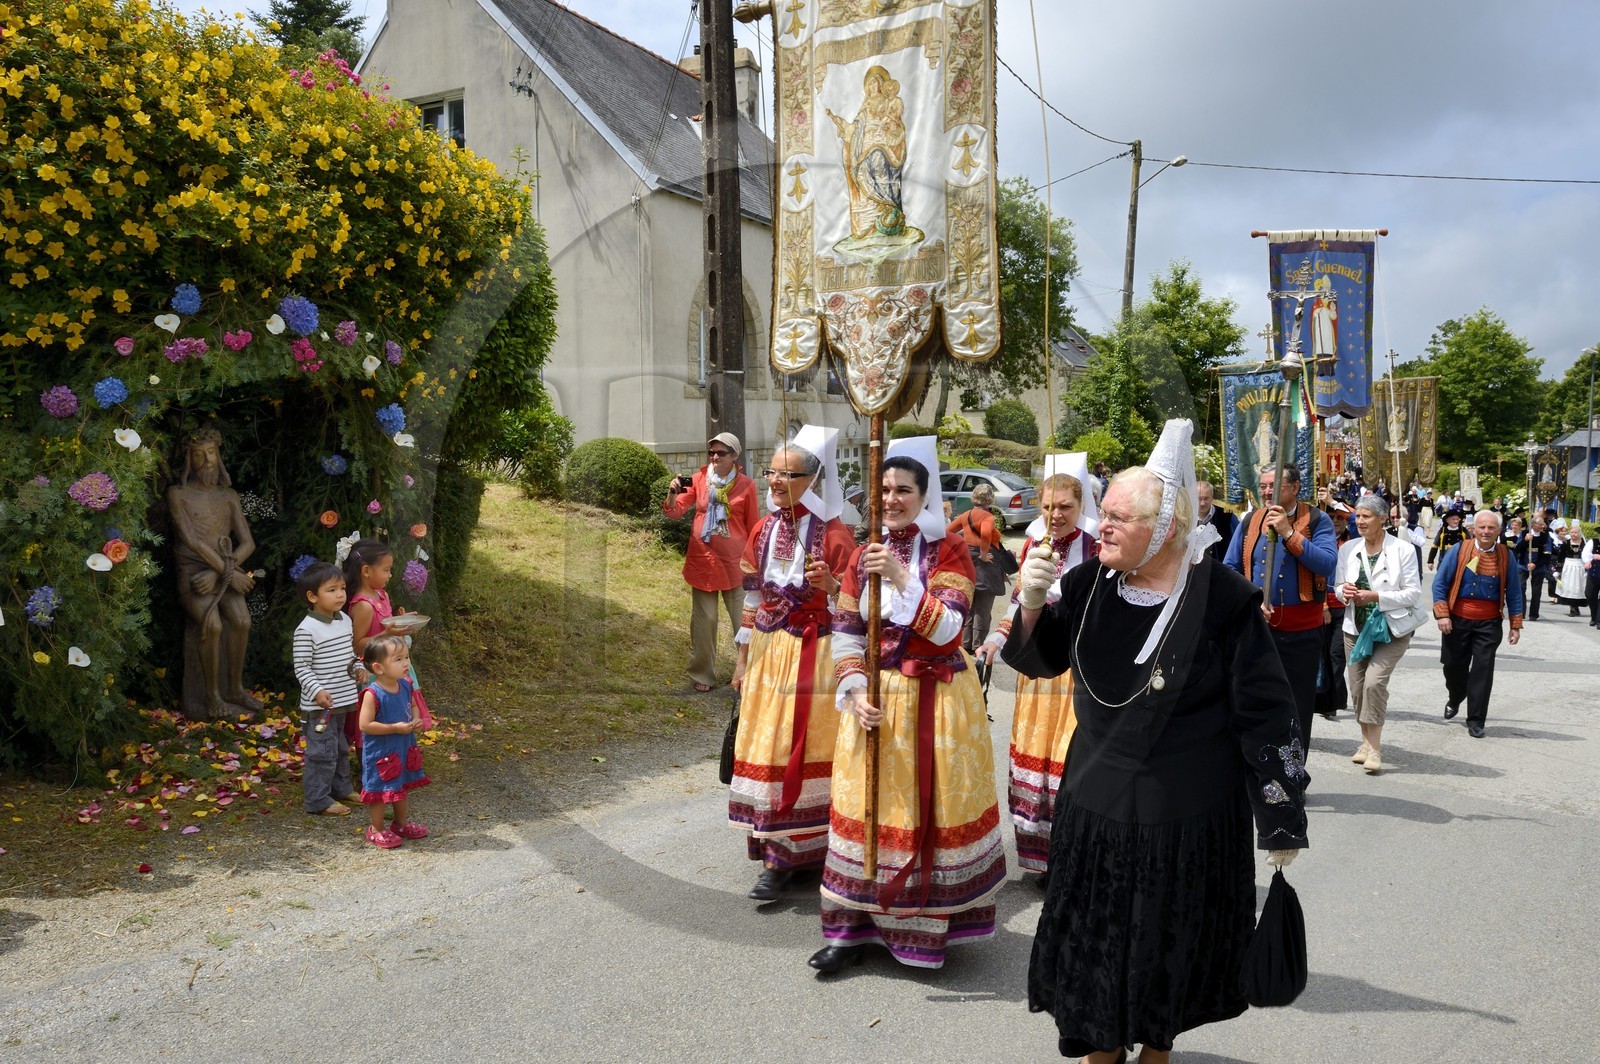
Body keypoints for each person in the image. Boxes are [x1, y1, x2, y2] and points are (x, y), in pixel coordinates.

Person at [1004, 419, 1309, 1064]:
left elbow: (1267, 713)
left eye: (1119, 517)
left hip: (1188, 819)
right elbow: (1038, 661)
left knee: (1165, 954)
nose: (1102, 526)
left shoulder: (1225, 601)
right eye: (1103, 513)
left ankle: (1156, 1052)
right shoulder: (1086, 585)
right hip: (1097, 807)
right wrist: (1031, 604)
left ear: (1166, 528)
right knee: (1097, 961)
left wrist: (1280, 816)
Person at [811, 443, 1006, 973]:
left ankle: (922, 930)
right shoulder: (858, 554)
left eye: (903, 490)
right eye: (885, 490)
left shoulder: (949, 553)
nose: (891, 499)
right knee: (865, 810)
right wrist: (854, 692)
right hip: (876, 699)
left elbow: (948, 629)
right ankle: (849, 929)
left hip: (934, 700)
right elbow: (846, 634)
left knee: (925, 808)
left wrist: (900, 578)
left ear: (924, 498)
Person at [728, 431, 855, 902]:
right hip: (767, 654)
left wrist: (835, 584)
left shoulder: (835, 534)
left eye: (787, 474)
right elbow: (753, 595)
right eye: (772, 471)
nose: (776, 481)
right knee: (767, 749)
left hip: (814, 656)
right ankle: (773, 850)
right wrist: (741, 660)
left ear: (812, 479)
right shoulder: (764, 528)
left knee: (799, 750)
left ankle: (801, 853)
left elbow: (858, 607)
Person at [976, 472, 1097, 878]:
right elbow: (1018, 605)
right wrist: (995, 639)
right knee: (1038, 761)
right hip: (1037, 671)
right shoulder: (1031, 544)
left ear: (1082, 507)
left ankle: (1072, 855)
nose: (1055, 514)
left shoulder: (1096, 547)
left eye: (1065, 506)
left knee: (1068, 761)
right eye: (1047, 506)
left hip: (1079, 673)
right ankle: (1042, 857)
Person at [1224, 463, 1337, 747]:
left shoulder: (1317, 519)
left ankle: (1293, 775)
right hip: (1258, 629)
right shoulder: (1251, 520)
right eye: (1262, 486)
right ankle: (1259, 774)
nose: (1266, 492)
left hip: (1300, 634)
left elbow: (1326, 563)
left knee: (1296, 707)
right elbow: (1231, 568)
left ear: (1295, 488)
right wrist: (1249, 601)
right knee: (1253, 702)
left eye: (1273, 486)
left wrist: (1289, 533)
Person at [167, 428, 261, 718]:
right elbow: (191, 541)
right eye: (198, 454)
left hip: (222, 569)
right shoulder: (178, 494)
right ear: (188, 459)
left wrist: (223, 572)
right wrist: (229, 574)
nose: (206, 460)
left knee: (242, 621)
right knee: (214, 624)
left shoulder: (228, 495)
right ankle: (212, 697)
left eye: (211, 452)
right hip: (194, 572)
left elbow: (248, 542)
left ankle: (235, 688)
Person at [664, 433, 760, 692]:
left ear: (734, 456)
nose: (715, 457)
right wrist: (672, 494)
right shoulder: (698, 480)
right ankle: (703, 674)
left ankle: (748, 673)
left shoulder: (746, 486)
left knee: (744, 621)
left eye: (721, 453)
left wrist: (756, 564)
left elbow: (753, 527)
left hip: (735, 564)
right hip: (703, 562)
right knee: (705, 622)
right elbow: (675, 512)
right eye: (712, 453)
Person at [1337, 495, 1424, 775]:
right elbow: (1338, 586)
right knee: (1358, 688)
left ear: (1383, 518)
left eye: (1366, 517)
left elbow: (1412, 594)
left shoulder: (1403, 550)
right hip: (1355, 629)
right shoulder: (1348, 548)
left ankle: (1374, 749)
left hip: (1390, 629)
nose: (1360, 522)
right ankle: (1364, 742)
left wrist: (1376, 596)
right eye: (1358, 517)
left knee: (1374, 684)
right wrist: (1344, 593)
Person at [1433, 511, 1523, 738]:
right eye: (1482, 527)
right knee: (1453, 666)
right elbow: (1440, 584)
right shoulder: (1459, 549)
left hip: (1489, 623)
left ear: (1499, 531)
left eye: (1491, 528)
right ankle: (1455, 696)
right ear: (1474, 529)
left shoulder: (1506, 555)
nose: (1486, 532)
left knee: (1483, 671)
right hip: (1457, 621)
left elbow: (1513, 591)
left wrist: (1515, 624)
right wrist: (1442, 615)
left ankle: (1476, 720)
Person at [292, 562, 365, 816]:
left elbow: (348, 656)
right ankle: (317, 799)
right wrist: (317, 692)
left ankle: (341, 788)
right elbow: (301, 668)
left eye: (342, 588)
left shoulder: (344, 620)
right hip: (319, 706)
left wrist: (357, 668)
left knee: (341, 747)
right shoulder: (306, 630)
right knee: (321, 753)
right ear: (312, 597)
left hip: (343, 700)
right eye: (331, 590)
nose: (340, 595)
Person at [356, 634, 430, 848]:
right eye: (398, 659)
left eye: (406, 657)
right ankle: (376, 829)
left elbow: (413, 705)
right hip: (381, 753)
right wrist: (394, 728)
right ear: (378, 668)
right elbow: (365, 725)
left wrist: (416, 719)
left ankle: (400, 824)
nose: (406, 663)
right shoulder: (372, 693)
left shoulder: (406, 684)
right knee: (379, 792)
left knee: (401, 786)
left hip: (402, 747)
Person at [946, 482, 1005, 653]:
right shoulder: (987, 517)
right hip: (985, 563)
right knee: (983, 608)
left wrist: (960, 547)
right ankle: (978, 645)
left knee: (970, 606)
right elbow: (986, 534)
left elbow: (948, 531)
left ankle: (965, 644)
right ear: (989, 499)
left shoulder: (966, 515)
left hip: (967, 562)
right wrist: (983, 553)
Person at [1195, 479, 1237, 563]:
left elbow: (1237, 545)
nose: (1202, 503)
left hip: (1220, 571)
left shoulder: (1227, 517)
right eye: (1199, 499)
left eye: (1206, 498)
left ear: (1212, 498)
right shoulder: (1185, 518)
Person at [1526, 516, 1556, 620]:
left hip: (1539, 567)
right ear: (1533, 525)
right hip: (1523, 566)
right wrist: (1525, 540)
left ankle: (1533, 614)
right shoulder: (1525, 534)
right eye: (1540, 524)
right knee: (1520, 588)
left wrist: (1536, 564)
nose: (1543, 526)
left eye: (1543, 524)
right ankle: (1520, 611)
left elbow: (1547, 555)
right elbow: (1518, 549)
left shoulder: (1545, 536)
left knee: (1536, 592)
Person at [1555, 526, 1587, 616]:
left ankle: (1576, 607)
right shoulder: (1566, 543)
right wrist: (1558, 570)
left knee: (1578, 587)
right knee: (1570, 586)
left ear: (1579, 533)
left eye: (1575, 532)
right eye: (1572, 532)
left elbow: (1588, 555)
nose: (1573, 534)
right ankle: (1572, 608)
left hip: (1580, 566)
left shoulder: (1584, 543)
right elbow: (1561, 557)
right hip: (1569, 566)